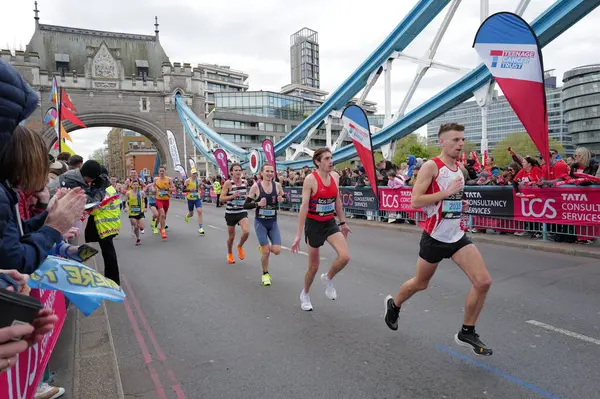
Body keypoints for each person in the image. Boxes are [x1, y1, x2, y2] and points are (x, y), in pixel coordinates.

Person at [383, 123, 493, 356]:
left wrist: (460, 203)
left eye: (462, 140)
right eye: (455, 140)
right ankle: (395, 305)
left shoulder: (460, 169)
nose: (460, 144)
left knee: (483, 281)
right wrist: (446, 193)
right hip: (434, 237)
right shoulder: (432, 166)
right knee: (420, 284)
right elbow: (415, 201)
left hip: (456, 235)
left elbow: (450, 199)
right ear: (442, 142)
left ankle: (467, 330)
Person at [0, 127, 86, 274]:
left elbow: (19, 231)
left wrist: (49, 215)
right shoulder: (4, 194)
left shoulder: (8, 191)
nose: (46, 177)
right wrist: (53, 228)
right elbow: (16, 260)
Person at [291, 148, 351, 311]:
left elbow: (337, 201)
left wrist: (343, 223)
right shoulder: (310, 179)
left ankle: (328, 278)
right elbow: (303, 207)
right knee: (314, 267)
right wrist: (298, 235)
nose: (331, 161)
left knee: (345, 257)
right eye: (326, 159)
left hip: (329, 222)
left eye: (331, 158)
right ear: (318, 162)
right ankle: (305, 293)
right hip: (314, 224)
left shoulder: (335, 177)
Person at [246, 164, 284, 286]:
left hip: (272, 222)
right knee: (266, 252)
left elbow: (284, 197)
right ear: (262, 173)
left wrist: (282, 200)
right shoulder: (256, 187)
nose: (269, 173)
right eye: (267, 171)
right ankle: (265, 274)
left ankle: (263, 247)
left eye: (272, 171)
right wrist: (257, 204)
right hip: (260, 223)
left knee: (277, 251)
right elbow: (245, 205)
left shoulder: (277, 186)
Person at [85, 167, 122, 284]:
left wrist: (88, 208)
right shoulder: (110, 188)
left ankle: (113, 281)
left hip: (104, 225)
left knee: (109, 254)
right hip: (110, 224)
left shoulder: (103, 190)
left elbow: (95, 209)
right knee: (108, 253)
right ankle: (111, 279)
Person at [220, 163, 250, 264]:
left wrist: (247, 198)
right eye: (236, 170)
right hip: (231, 213)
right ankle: (229, 253)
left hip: (241, 211)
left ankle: (240, 246)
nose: (238, 172)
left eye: (239, 170)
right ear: (231, 172)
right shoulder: (228, 183)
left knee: (246, 232)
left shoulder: (244, 182)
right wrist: (232, 196)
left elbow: (245, 195)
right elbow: (221, 199)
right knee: (231, 237)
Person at [154, 166, 175, 239]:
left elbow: (174, 188)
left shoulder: (169, 179)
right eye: (160, 171)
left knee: (163, 216)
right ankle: (163, 231)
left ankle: (156, 225)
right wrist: (154, 190)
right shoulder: (156, 179)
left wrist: (168, 189)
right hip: (159, 199)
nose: (162, 172)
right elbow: (153, 188)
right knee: (162, 214)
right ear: (158, 172)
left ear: (165, 172)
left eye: (163, 171)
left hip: (166, 200)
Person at [183, 169, 205, 235]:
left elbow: (200, 187)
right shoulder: (188, 181)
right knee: (191, 214)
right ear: (191, 174)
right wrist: (190, 190)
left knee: (199, 211)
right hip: (190, 199)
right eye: (193, 173)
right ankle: (187, 216)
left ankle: (201, 228)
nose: (194, 175)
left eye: (195, 173)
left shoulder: (199, 180)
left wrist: (201, 186)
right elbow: (183, 190)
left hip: (197, 198)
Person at [126, 180, 145, 246]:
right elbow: (124, 201)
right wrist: (125, 208)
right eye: (134, 184)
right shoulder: (128, 193)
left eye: (137, 184)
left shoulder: (141, 192)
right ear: (131, 185)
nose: (135, 186)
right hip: (132, 213)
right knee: (136, 226)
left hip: (140, 211)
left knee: (141, 226)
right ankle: (138, 239)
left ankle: (140, 229)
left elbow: (145, 199)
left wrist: (145, 207)